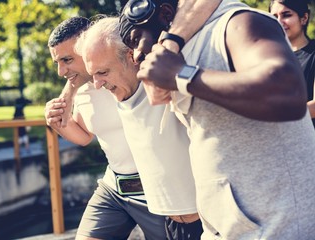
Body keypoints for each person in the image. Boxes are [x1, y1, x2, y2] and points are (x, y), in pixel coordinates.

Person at [132, 0, 315, 239]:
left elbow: (288, 94)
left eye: (136, 40)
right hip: (229, 228)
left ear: (165, 13)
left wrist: (182, 75)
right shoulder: (185, 44)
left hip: (280, 227)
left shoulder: (242, 22)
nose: (136, 54)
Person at [78, 16, 201, 240]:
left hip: (205, 220)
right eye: (93, 74)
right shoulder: (118, 90)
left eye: (103, 73)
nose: (97, 84)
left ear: (131, 56)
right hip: (170, 222)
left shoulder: (164, 78)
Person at [45, 17, 167, 240]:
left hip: (159, 190)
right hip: (115, 190)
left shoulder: (129, 73)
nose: (61, 71)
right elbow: (83, 136)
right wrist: (59, 123)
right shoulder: (83, 91)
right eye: (58, 62)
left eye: (67, 59)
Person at [269, 0, 315, 128]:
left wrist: (276, 116)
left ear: (304, 18)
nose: (279, 21)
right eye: (274, 17)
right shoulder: (270, 58)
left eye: (286, 15)